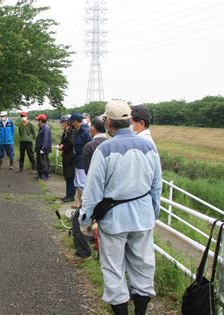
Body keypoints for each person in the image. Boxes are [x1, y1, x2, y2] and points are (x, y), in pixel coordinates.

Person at [79, 100, 162, 315]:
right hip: (143, 218)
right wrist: (153, 212)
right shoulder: (149, 146)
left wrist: (85, 220)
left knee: (114, 270)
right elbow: (156, 185)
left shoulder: (105, 149)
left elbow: (92, 191)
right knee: (143, 267)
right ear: (129, 121)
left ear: (108, 122)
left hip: (114, 220)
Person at [69, 113, 92, 209]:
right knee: (78, 183)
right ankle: (79, 203)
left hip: (83, 162)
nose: (71, 124)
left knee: (82, 183)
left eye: (72, 122)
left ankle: (83, 206)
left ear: (77, 122)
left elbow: (90, 147)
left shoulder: (85, 132)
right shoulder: (77, 131)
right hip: (77, 160)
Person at [58, 114, 75, 202]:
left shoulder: (72, 132)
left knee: (70, 176)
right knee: (67, 176)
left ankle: (71, 195)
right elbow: (62, 142)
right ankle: (68, 194)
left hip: (71, 157)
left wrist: (63, 147)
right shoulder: (65, 132)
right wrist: (61, 145)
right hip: (66, 156)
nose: (62, 124)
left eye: (63, 122)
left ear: (67, 122)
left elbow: (70, 143)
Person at [34, 114, 52, 180]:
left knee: (44, 162)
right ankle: (40, 174)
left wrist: (43, 148)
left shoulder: (46, 128)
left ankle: (46, 175)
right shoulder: (41, 128)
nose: (37, 122)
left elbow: (45, 139)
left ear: (41, 121)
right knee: (39, 162)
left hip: (43, 149)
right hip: (39, 148)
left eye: (38, 120)